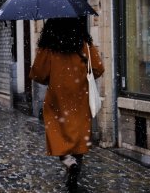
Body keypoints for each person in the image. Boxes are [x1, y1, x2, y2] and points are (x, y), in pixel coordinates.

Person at [29, 18, 104, 192]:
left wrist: (53, 76)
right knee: (78, 138)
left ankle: (68, 161)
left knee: (57, 134)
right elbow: (98, 68)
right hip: (80, 98)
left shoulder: (48, 47)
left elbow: (38, 73)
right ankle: (74, 170)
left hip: (57, 99)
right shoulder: (83, 44)